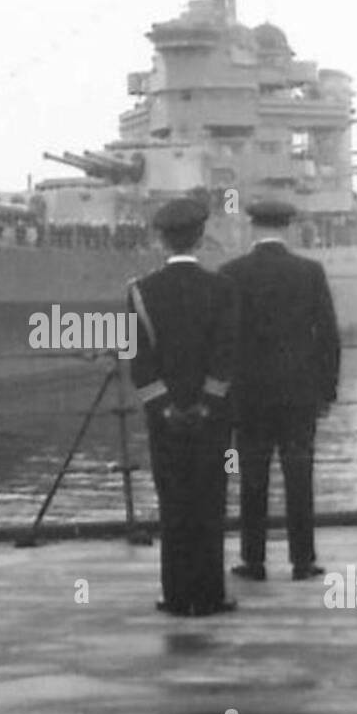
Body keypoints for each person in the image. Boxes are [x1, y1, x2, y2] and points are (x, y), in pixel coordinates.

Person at [128, 197, 238, 616]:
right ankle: (211, 595)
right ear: (200, 237)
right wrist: (207, 403)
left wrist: (167, 408)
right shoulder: (224, 289)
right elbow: (227, 354)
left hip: (165, 421)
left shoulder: (140, 292)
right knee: (211, 502)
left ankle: (175, 595)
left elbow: (139, 361)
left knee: (172, 504)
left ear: (162, 238)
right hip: (213, 420)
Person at [220, 198, 340, 582]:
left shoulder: (230, 273)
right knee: (299, 477)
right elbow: (328, 338)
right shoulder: (310, 272)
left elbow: (223, 343)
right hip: (299, 395)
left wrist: (226, 393)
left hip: (249, 397)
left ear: (253, 228)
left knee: (252, 478)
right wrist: (326, 391)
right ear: (287, 227)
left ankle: (253, 561)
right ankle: (302, 561)